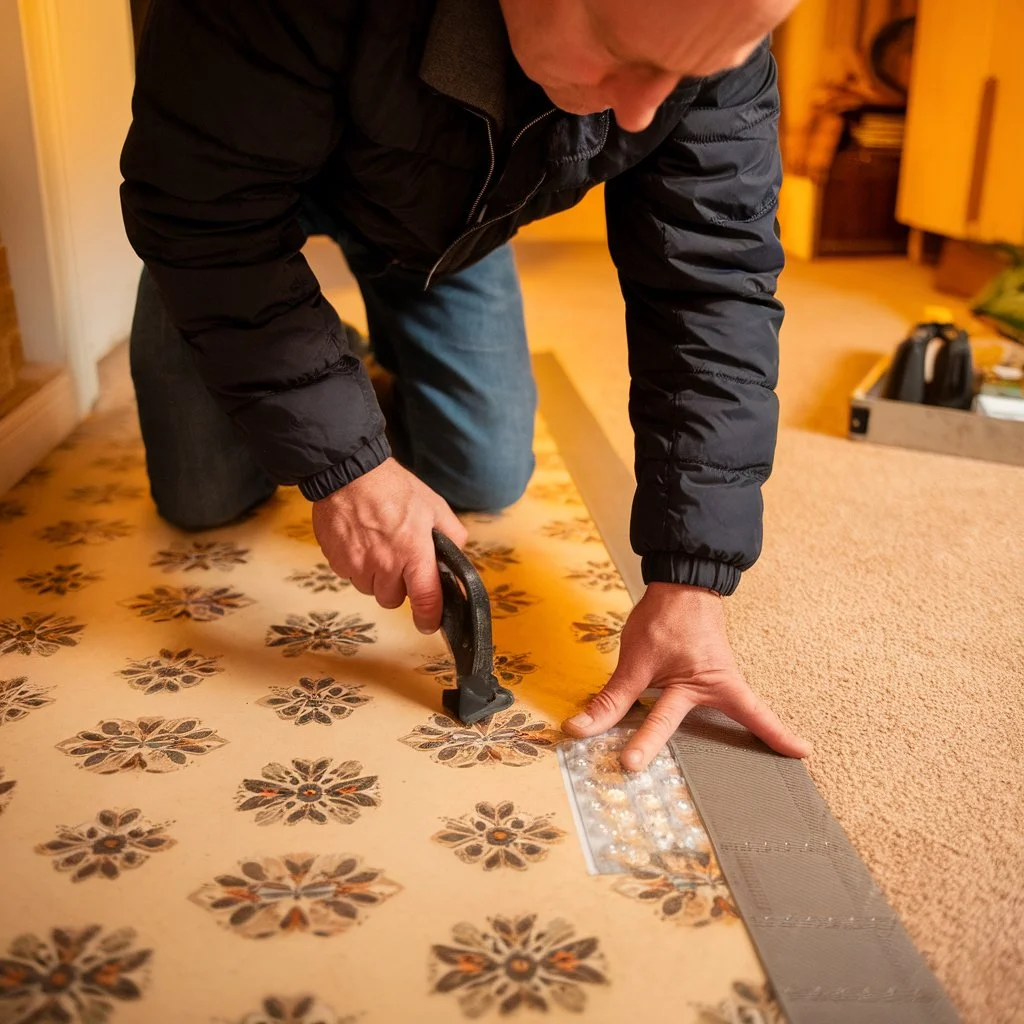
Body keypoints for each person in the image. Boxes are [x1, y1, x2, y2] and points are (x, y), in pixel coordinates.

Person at [120, 0, 811, 771]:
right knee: (200, 494)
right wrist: (346, 469)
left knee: (483, 471)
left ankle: (330, 360)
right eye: (623, 53)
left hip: (438, 226)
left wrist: (691, 583)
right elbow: (203, 214)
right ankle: (254, 333)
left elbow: (711, 287)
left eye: (688, 74)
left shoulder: (712, 39)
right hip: (232, 213)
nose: (646, 107)